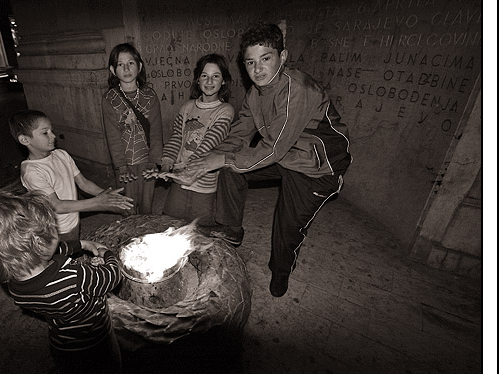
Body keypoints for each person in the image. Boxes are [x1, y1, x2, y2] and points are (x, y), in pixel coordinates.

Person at [190, 23, 352, 298]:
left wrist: (223, 159)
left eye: (266, 59)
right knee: (231, 166)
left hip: (317, 166)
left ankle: (280, 271)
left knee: (287, 224)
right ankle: (231, 228)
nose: (257, 69)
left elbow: (273, 148)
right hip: (286, 154)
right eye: (250, 62)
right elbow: (240, 133)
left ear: (283, 56)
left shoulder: (297, 89)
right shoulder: (256, 94)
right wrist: (209, 158)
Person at [0, 191, 123, 374]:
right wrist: (108, 255)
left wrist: (81, 244)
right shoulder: (75, 277)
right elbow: (111, 277)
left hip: (62, 343)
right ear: (40, 244)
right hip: (95, 340)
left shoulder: (14, 282)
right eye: (54, 230)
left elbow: (53, 252)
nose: (57, 232)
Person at [8, 109, 134, 241]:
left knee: (75, 247)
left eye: (52, 131)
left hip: (73, 219)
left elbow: (83, 183)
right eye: (45, 133)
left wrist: (106, 195)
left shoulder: (61, 155)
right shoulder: (32, 171)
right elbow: (56, 205)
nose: (53, 136)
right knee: (65, 257)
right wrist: (97, 202)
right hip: (56, 230)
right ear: (25, 140)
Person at [152, 54, 234, 224]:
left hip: (204, 181)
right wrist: (167, 163)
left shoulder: (225, 110)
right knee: (170, 222)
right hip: (180, 181)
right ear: (197, 79)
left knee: (200, 226)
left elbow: (210, 143)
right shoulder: (187, 107)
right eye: (204, 76)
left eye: (215, 76)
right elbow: (176, 137)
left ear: (223, 81)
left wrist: (184, 169)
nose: (209, 81)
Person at [102, 43, 163, 215]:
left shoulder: (150, 95)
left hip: (147, 161)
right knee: (127, 205)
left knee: (146, 205)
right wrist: (121, 166)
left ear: (140, 66)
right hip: (125, 163)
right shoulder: (110, 99)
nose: (126, 68)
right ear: (113, 70)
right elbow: (112, 135)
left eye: (131, 63)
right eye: (120, 64)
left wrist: (154, 160)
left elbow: (156, 130)